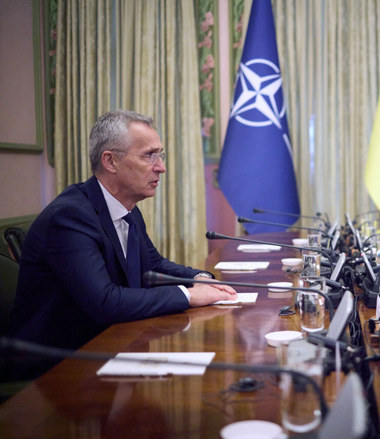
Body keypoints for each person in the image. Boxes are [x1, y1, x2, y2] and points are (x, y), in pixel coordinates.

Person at [10, 110, 237, 365]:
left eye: (160, 155)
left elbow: (153, 266)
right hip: (55, 366)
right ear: (110, 161)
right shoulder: (70, 217)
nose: (160, 167)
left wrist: (200, 278)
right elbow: (104, 302)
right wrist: (189, 295)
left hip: (108, 346)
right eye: (149, 155)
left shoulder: (126, 208)